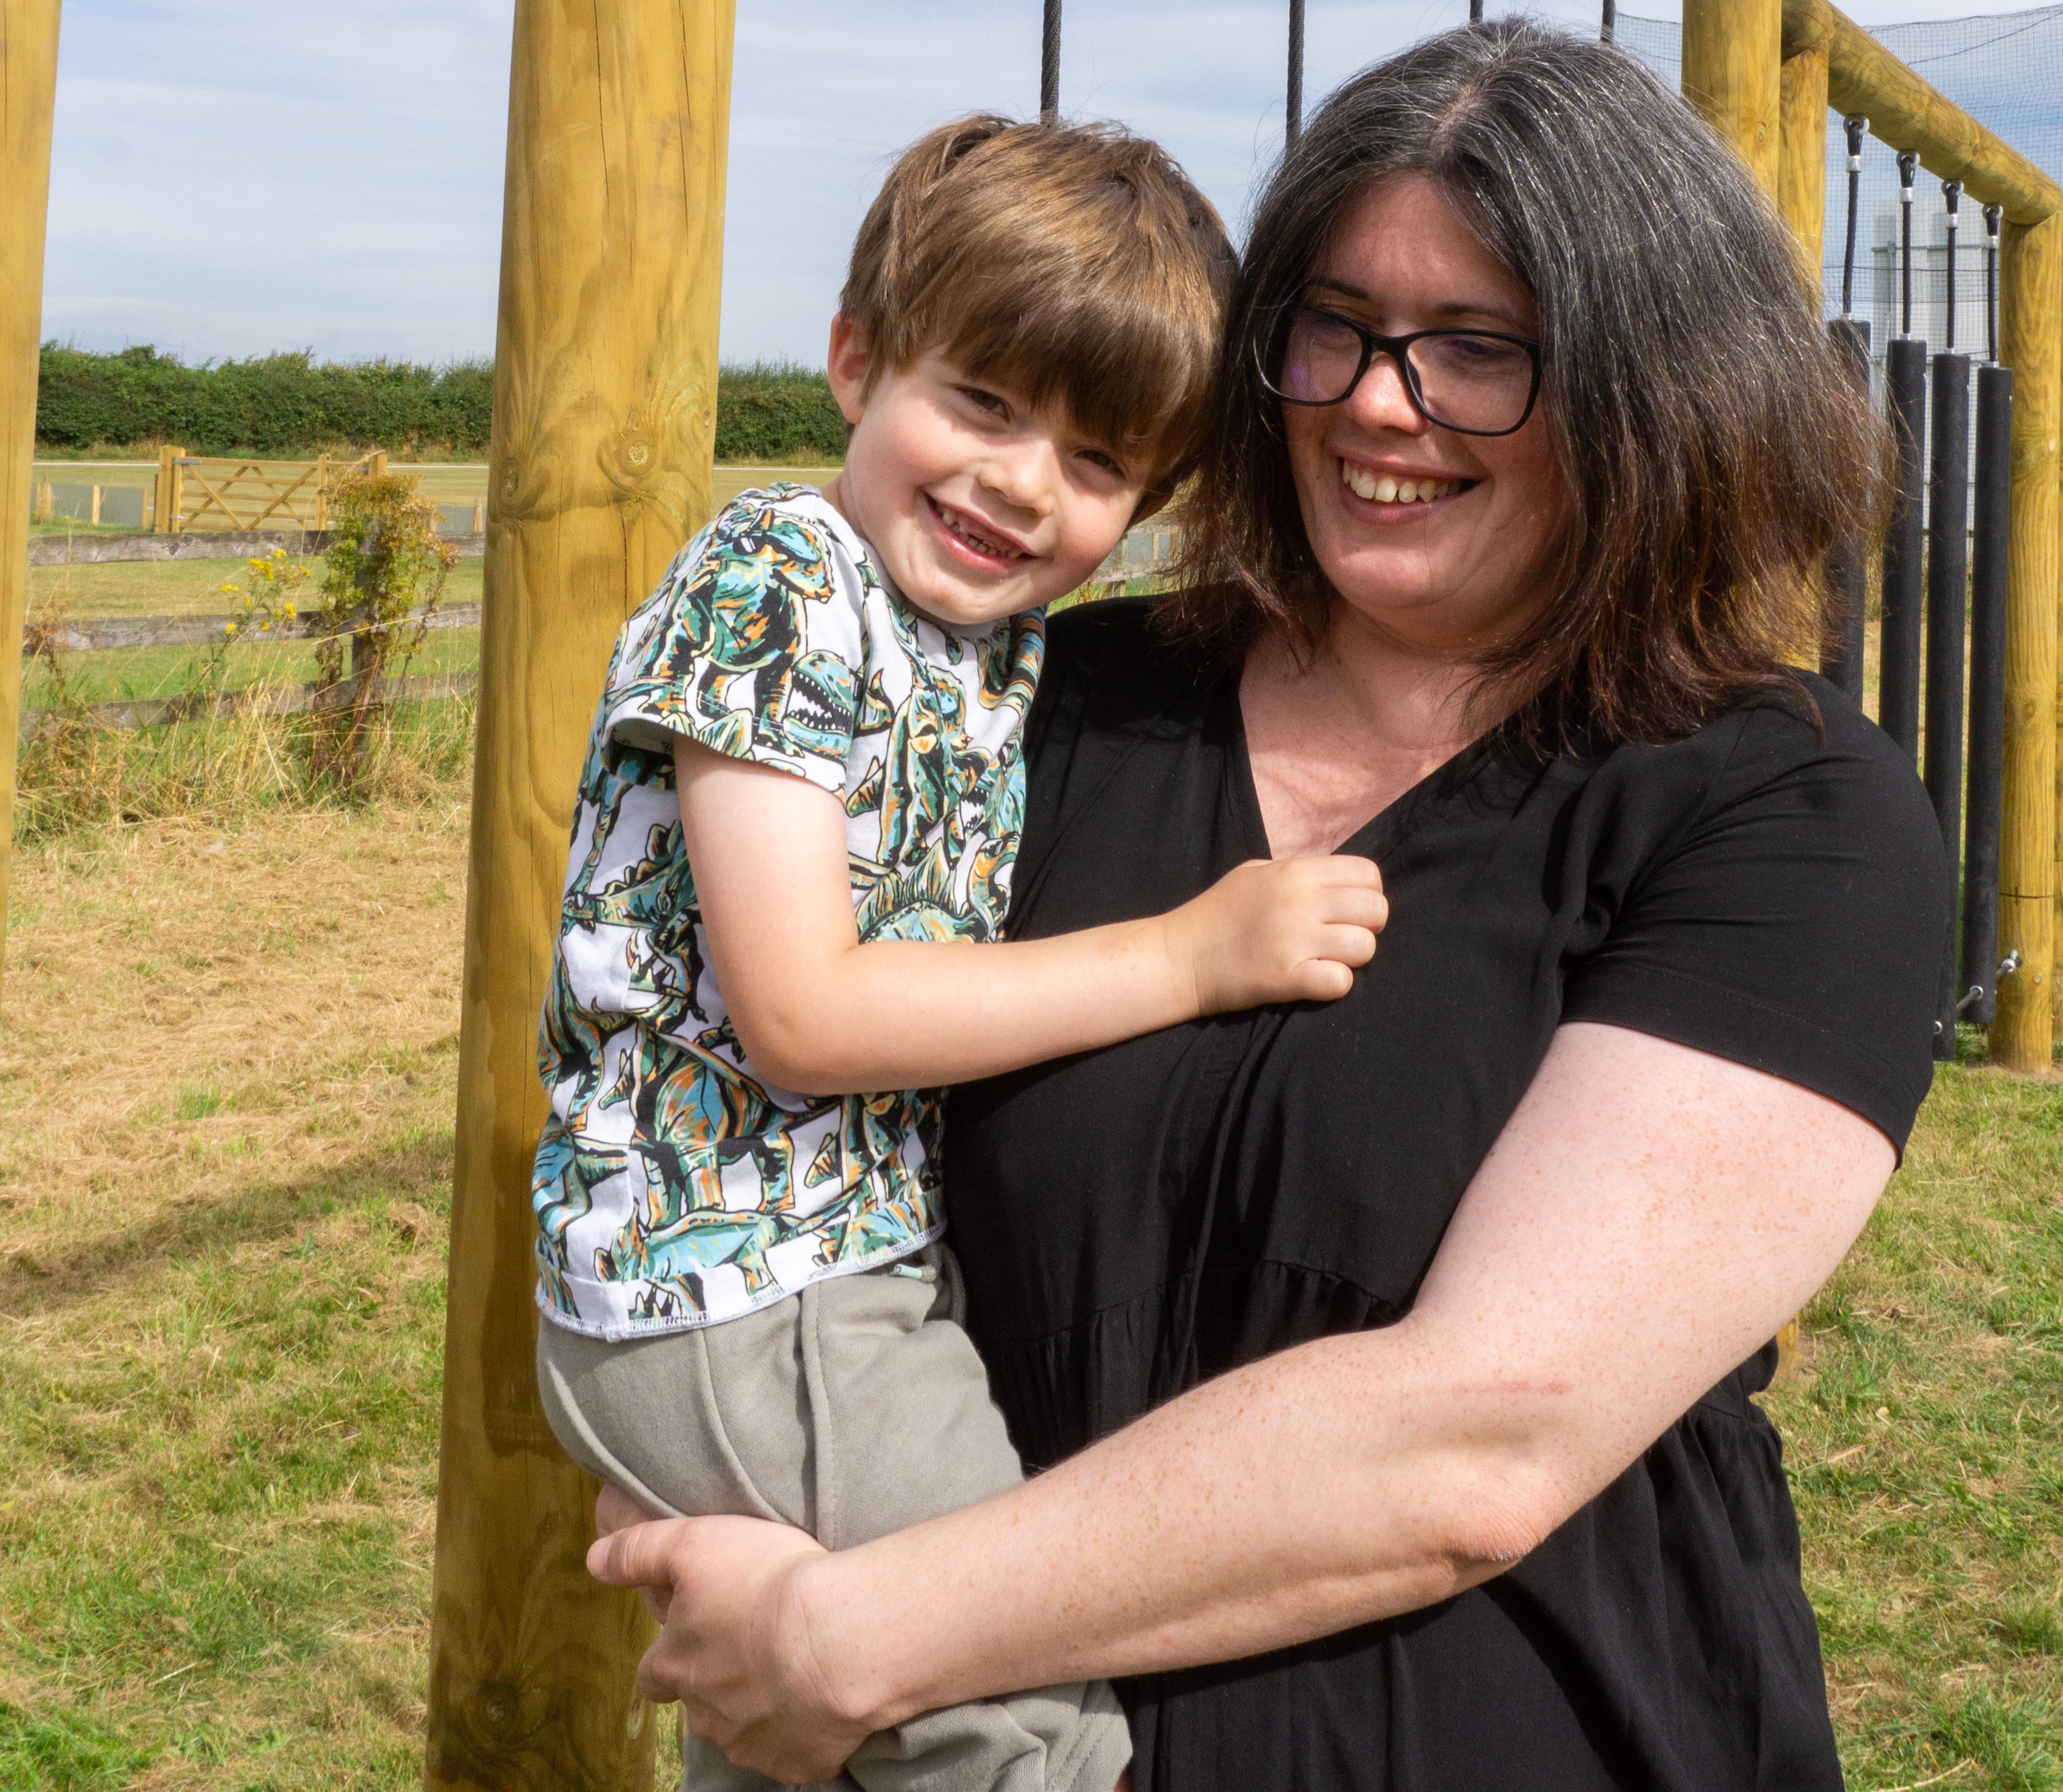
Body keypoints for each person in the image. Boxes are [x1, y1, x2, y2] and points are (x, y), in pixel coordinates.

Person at [587, 21, 1953, 1792]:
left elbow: (1480, 1443)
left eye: (1480, 351)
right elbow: (712, 1075)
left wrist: (856, 1636)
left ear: (1654, 388)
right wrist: (706, 1454)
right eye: (1338, 329)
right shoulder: (1044, 704)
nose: (1383, 403)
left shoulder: (1780, 815)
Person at [530, 115, 1388, 1792]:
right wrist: (1195, 958)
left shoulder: (978, 649)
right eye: (982, 404)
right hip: (746, 1282)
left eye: (1094, 462)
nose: (1018, 483)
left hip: (821, 1273)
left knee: (811, 1741)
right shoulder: (781, 581)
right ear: (857, 361)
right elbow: (805, 1011)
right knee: (1020, 1721)